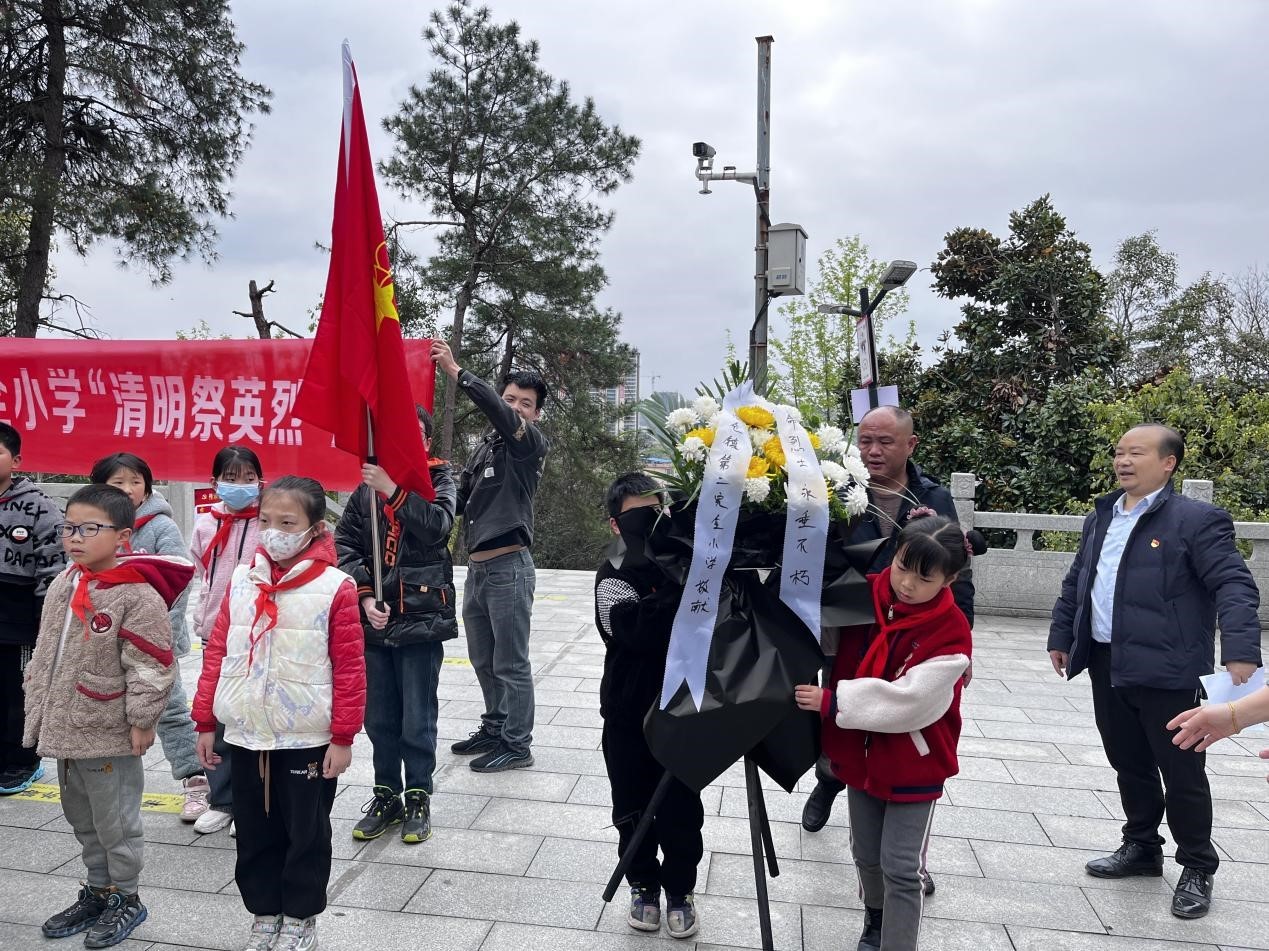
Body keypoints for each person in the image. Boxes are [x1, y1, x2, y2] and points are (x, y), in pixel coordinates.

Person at [1047, 424, 1261, 920]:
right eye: (1119, 452)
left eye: (1136, 453)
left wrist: (1241, 649)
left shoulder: (1197, 520)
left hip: (1168, 669)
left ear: (1168, 463)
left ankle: (1198, 866)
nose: (1123, 460)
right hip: (1107, 660)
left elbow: (1233, 583)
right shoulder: (1101, 515)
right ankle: (1142, 846)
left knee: (1182, 771)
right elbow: (1080, 578)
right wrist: (1063, 635)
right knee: (1129, 761)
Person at [802, 405, 974, 897]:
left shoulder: (932, 496)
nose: (873, 451)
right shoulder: (839, 487)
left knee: (898, 721)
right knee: (840, 713)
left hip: (909, 634)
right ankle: (830, 779)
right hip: (849, 627)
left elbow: (951, 570)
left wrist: (965, 646)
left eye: (886, 442)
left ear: (910, 445)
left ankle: (908, 862)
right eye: (866, 441)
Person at [192, 475, 365, 951]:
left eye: (287, 522)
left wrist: (343, 737)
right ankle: (264, 913)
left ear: (314, 529)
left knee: (305, 832)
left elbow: (350, 667)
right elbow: (218, 655)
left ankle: (301, 917)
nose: (274, 531)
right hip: (246, 732)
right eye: (266, 520)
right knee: (253, 830)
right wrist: (206, 721)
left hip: (306, 735)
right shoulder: (243, 583)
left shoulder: (337, 587)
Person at [795, 514, 981, 951]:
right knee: (866, 857)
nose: (907, 584)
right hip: (856, 754)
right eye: (901, 566)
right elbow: (819, 633)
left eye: (924, 577)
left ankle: (897, 943)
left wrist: (832, 701)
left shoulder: (951, 632)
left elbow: (911, 702)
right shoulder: (862, 594)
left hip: (913, 761)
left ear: (949, 578)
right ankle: (875, 919)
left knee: (900, 865)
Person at [23, 484, 192, 947]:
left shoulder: (135, 595)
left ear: (122, 537)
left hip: (107, 727)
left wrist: (142, 719)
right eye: (70, 527)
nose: (75, 537)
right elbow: (47, 650)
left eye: (90, 528)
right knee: (81, 815)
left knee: (116, 821)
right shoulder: (66, 581)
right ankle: (98, 889)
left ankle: (127, 897)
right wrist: (34, 694)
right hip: (65, 724)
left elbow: (153, 663)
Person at [335, 406, 457, 844]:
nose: (411, 440)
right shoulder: (363, 493)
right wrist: (365, 595)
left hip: (422, 619)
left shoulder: (439, 479)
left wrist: (393, 490)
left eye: (418, 433)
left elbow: (437, 527)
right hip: (375, 623)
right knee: (380, 717)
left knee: (417, 718)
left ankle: (419, 796)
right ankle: (386, 794)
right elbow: (345, 544)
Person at [431, 340, 549, 773]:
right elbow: (458, 502)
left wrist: (457, 372)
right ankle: (496, 726)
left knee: (511, 661)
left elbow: (499, 417)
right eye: (511, 399)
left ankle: (518, 745)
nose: (516, 408)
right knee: (483, 658)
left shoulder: (527, 446)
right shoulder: (486, 451)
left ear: (535, 414)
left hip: (509, 568)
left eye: (526, 403)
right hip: (478, 571)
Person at [595, 472, 704, 940]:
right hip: (627, 710)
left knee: (681, 805)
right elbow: (630, 631)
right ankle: (643, 884)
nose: (651, 523)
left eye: (658, 511)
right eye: (640, 515)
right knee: (631, 803)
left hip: (682, 707)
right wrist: (681, 594)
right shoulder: (612, 573)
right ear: (616, 524)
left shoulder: (686, 559)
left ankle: (680, 889)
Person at [90, 453, 204, 822]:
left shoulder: (160, 527)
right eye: (117, 483)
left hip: (153, 643)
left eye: (135, 482)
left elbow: (178, 581)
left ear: (147, 487)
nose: (127, 490)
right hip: (103, 641)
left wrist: (155, 637)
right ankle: (110, 786)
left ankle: (195, 781)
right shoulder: (88, 526)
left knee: (168, 709)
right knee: (107, 709)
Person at [187, 444, 265, 836]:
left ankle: (252, 800)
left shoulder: (269, 522)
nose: (240, 485)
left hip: (257, 634)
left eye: (248, 478)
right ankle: (222, 799)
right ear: (215, 481)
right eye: (230, 478)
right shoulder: (205, 523)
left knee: (252, 714)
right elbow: (201, 569)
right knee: (215, 716)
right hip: (214, 633)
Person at [0, 421, 65, 794]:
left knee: (19, 693)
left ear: (17, 460)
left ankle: (25, 761)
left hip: (22, 618)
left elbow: (54, 563)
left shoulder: (39, 507)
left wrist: (46, 619)